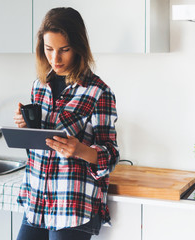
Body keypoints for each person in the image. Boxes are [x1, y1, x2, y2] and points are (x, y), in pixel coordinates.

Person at [13, 7, 120, 240]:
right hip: (37, 200)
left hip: (72, 205)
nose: (55, 58)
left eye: (64, 50)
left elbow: (111, 156)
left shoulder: (98, 92)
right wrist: (26, 128)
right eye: (49, 49)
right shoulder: (39, 86)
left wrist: (80, 150)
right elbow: (40, 146)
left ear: (78, 48)